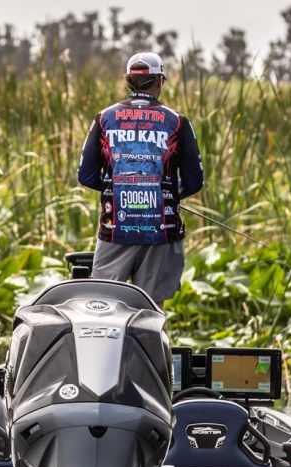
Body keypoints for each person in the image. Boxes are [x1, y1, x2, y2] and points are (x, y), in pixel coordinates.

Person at [77, 51, 204, 308]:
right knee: (152, 313)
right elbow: (194, 181)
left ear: (128, 82)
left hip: (115, 229)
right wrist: (166, 193)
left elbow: (86, 176)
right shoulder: (177, 121)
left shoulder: (104, 118)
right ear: (159, 81)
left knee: (103, 309)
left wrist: (117, 187)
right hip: (161, 232)